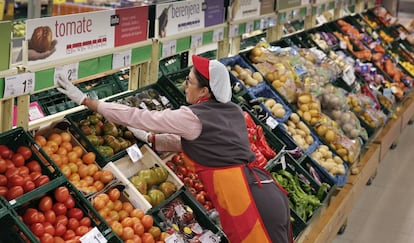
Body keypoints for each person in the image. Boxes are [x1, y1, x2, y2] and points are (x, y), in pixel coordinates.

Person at [57, 55, 292, 243]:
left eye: (189, 81)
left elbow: (138, 115)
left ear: (204, 92)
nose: (184, 85)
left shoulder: (194, 117)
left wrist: (87, 101)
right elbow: (195, 144)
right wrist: (151, 139)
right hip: (265, 192)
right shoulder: (231, 112)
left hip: (247, 203)